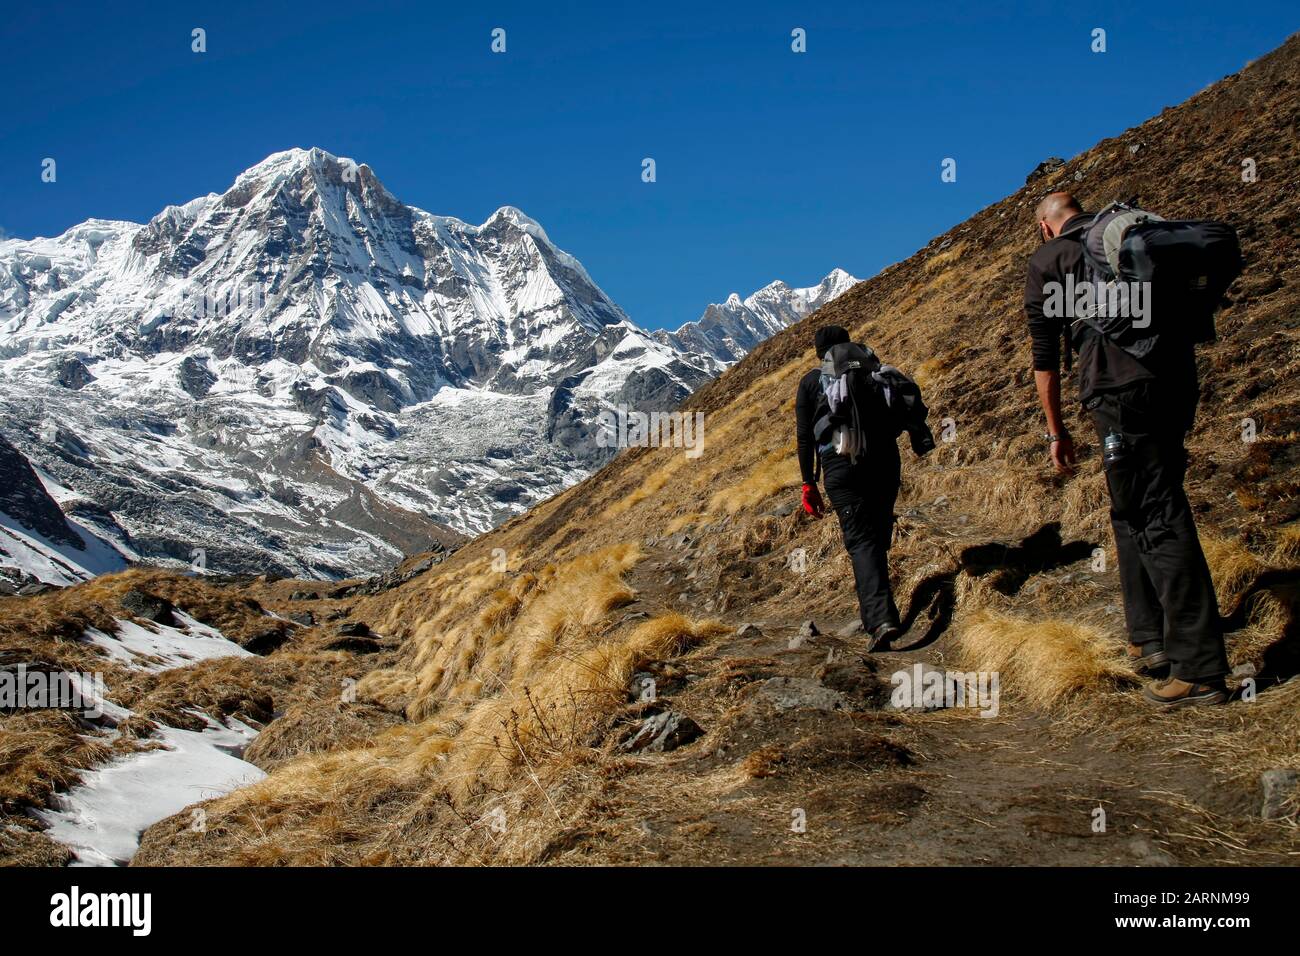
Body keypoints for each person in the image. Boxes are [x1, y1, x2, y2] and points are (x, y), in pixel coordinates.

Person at [1025, 191, 1229, 706]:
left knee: (1156, 512)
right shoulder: (1127, 236)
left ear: (1046, 227)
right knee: (1136, 505)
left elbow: (1045, 358)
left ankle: (1200, 667)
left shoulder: (1049, 260)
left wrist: (1056, 431)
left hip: (1118, 392)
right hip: (1176, 377)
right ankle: (1149, 637)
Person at [795, 324, 902, 650]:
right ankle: (882, 607)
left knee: (860, 541)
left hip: (840, 468)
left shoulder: (811, 382)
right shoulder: (873, 371)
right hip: (884, 461)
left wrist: (808, 483)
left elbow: (804, 437)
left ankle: (881, 620)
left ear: (818, 352)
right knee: (878, 534)